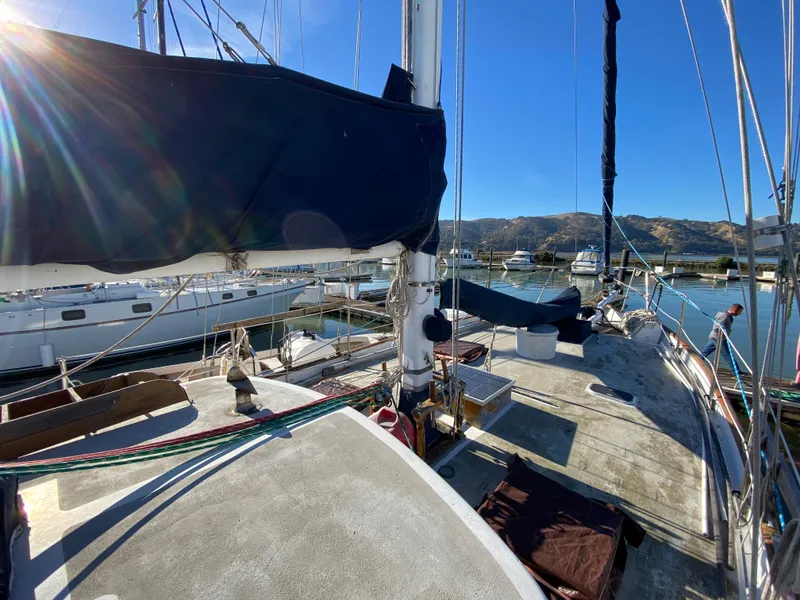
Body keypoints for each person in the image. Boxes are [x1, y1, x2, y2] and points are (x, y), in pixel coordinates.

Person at [701, 303, 744, 372]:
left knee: (705, 352)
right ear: (735, 310)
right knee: (728, 355)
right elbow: (716, 327)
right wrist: (723, 332)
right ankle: (737, 371)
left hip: (714, 337)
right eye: (739, 312)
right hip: (719, 338)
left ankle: (699, 361)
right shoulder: (725, 316)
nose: (739, 314)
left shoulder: (728, 316)